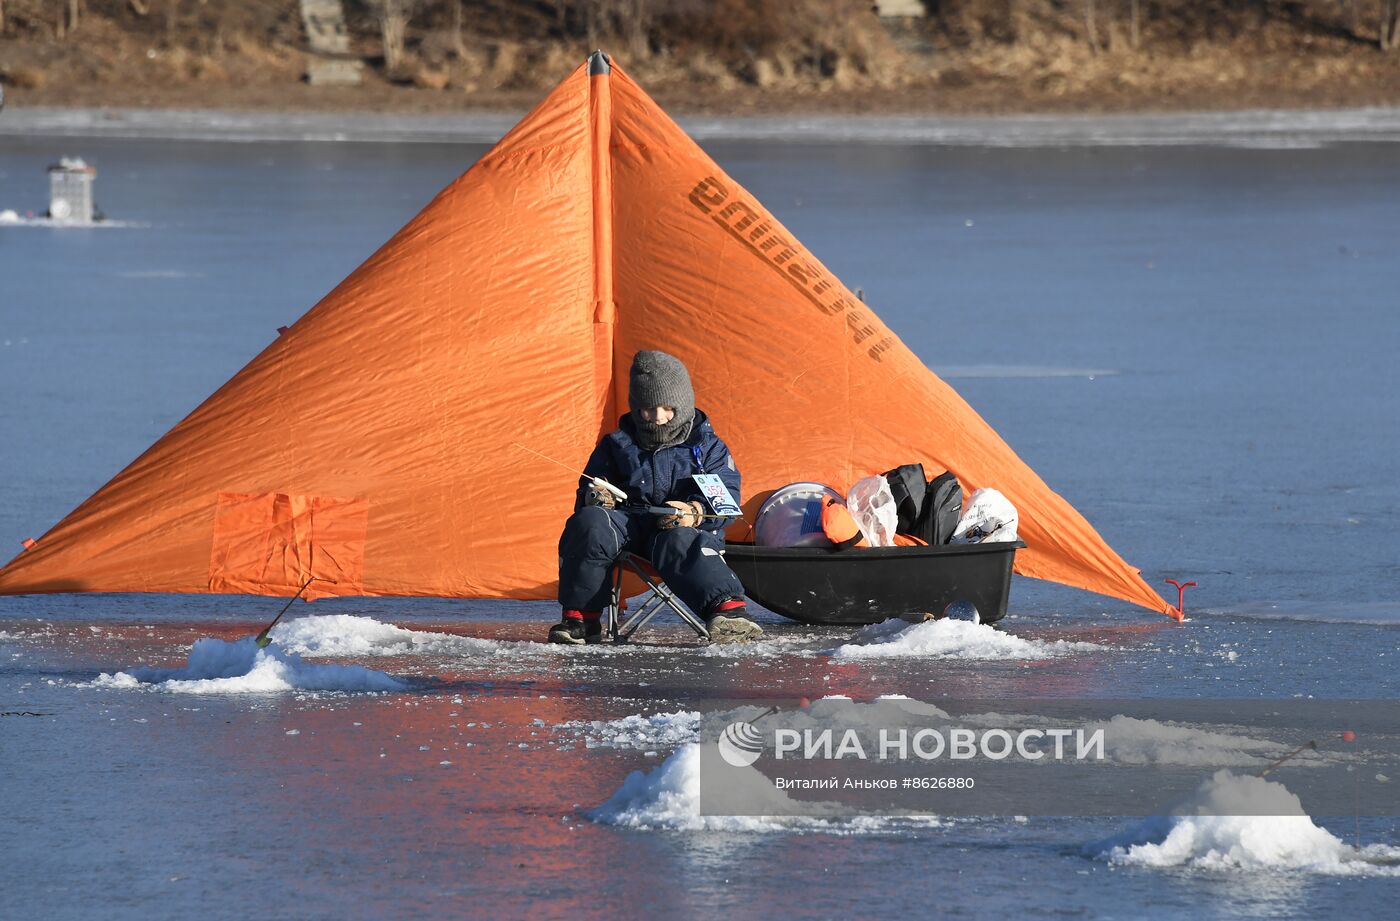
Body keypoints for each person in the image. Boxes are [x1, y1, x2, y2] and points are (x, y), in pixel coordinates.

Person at [548, 350, 763, 645]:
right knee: (590, 522)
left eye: (667, 408)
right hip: (628, 531)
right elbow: (588, 492)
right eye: (648, 410)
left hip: (680, 534)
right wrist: (596, 497)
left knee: (681, 539)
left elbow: (725, 504)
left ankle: (728, 614)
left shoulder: (709, 447)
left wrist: (693, 511)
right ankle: (581, 620)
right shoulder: (616, 444)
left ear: (683, 404)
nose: (658, 418)